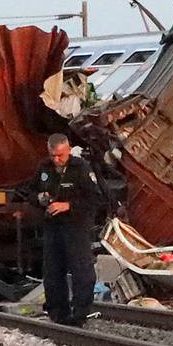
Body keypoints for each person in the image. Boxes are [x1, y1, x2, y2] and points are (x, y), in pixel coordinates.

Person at [33, 134, 105, 326]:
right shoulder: (44, 168)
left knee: (82, 270)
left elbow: (95, 199)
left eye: (61, 156)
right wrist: (40, 198)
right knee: (53, 271)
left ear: (68, 150)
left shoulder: (80, 168)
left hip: (76, 226)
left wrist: (68, 205)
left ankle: (81, 312)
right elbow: (30, 192)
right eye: (53, 156)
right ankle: (57, 313)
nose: (57, 160)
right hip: (52, 227)